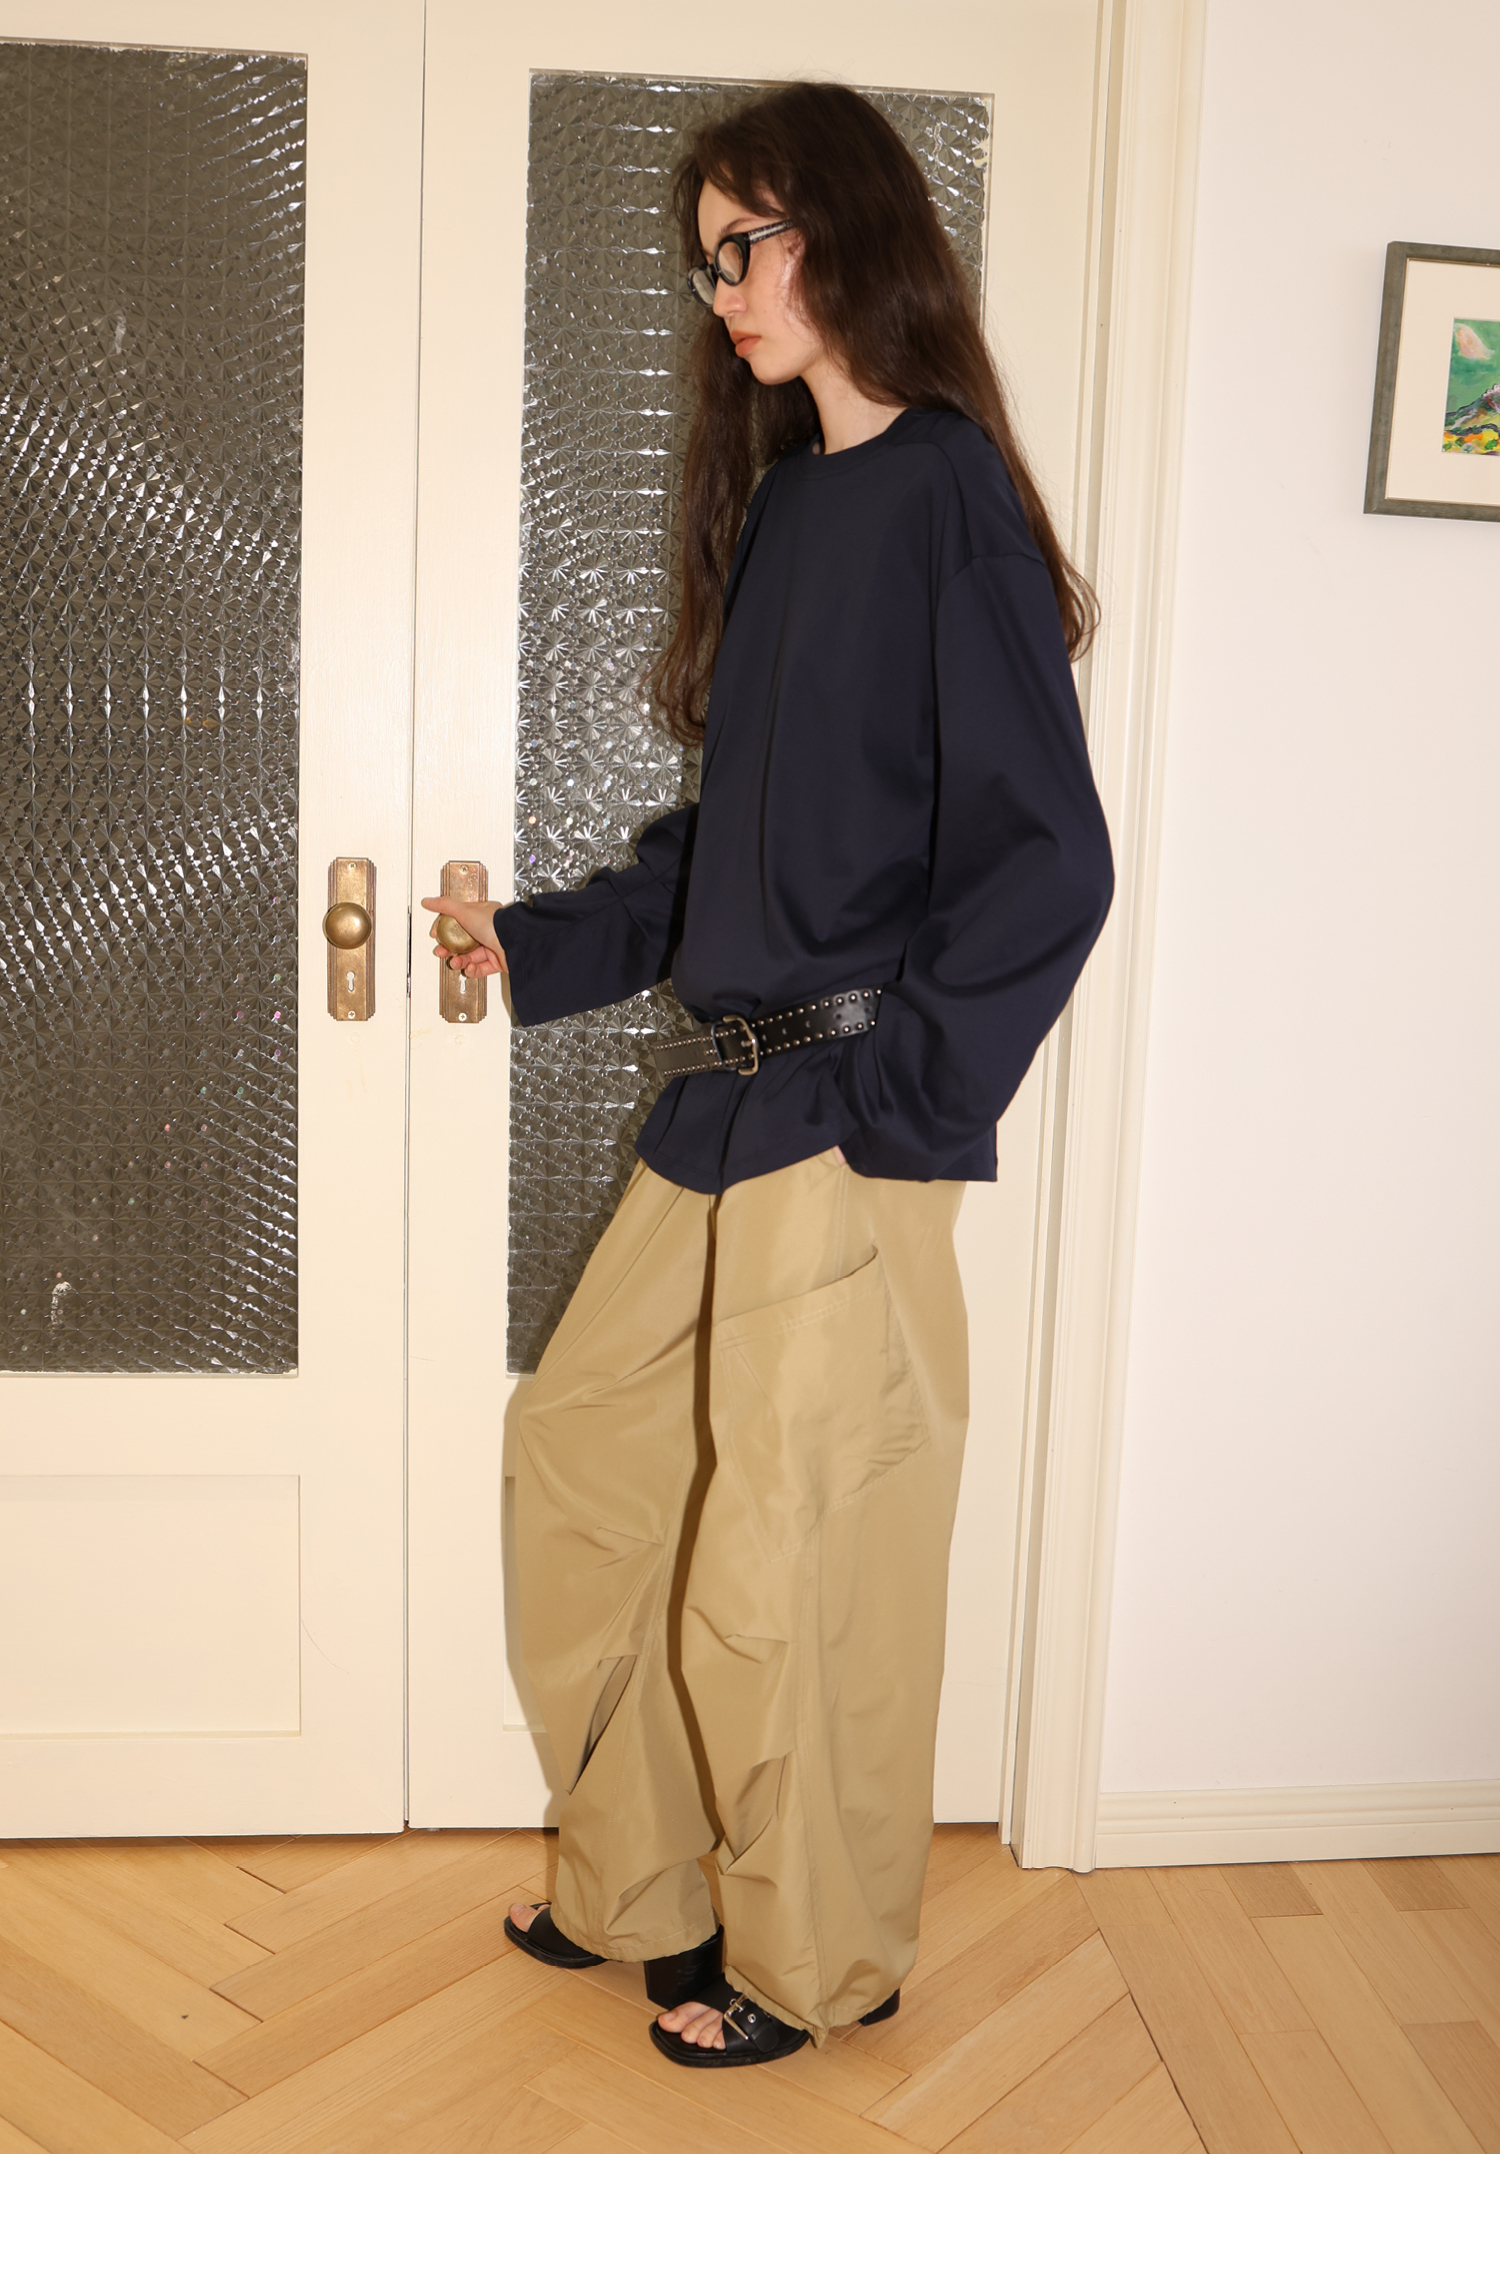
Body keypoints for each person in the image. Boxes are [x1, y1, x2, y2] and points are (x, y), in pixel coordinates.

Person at [421, 81, 1113, 2070]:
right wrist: (533, 943)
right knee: (582, 1460)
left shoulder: (949, 494)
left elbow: (1048, 857)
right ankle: (635, 1879)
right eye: (710, 256)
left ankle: (815, 1962)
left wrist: (908, 1105)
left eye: (753, 244)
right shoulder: (799, 502)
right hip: (723, 1102)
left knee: (796, 1555)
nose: (724, 288)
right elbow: (735, 845)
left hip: (842, 1113)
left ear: (852, 237)